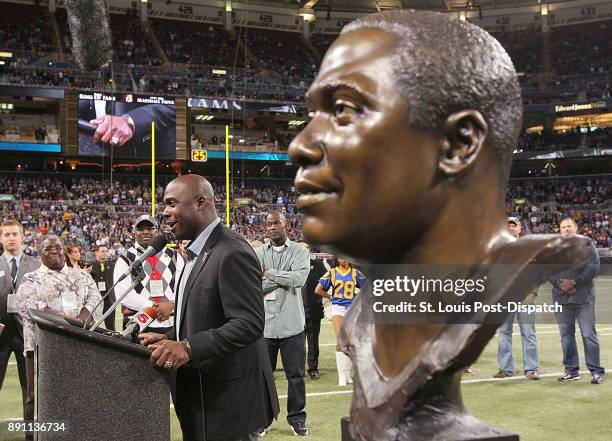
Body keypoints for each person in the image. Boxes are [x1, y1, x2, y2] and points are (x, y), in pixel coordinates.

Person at [287, 10, 593, 441]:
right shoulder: (363, 317)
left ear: (457, 143)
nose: (298, 144)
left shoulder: (502, 276)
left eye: (342, 109)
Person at [139, 174, 279, 441]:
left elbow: (248, 324)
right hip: (203, 400)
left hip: (228, 405)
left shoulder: (231, 251)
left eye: (171, 204)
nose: (165, 213)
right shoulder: (194, 251)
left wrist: (188, 347)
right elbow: (206, 315)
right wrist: (170, 338)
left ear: (200, 202)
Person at [15, 235, 101, 440]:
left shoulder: (82, 276)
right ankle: (33, 437)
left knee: (77, 395)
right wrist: (74, 324)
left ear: (64, 250)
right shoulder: (30, 278)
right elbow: (32, 309)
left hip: (78, 345)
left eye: (58, 248)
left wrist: (80, 321)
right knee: (35, 397)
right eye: (48, 249)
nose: (54, 252)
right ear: (39, 254)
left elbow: (96, 301)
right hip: (40, 347)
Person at [255, 212, 310, 436]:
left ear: (286, 225)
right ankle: (263, 419)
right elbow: (252, 286)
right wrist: (281, 277)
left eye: (276, 222)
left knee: (295, 376)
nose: (272, 227)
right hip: (265, 326)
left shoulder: (299, 251)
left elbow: (299, 280)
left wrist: (268, 274)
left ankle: (296, 418)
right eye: (268, 224)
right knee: (262, 378)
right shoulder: (258, 253)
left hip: (292, 325)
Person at [0, 220, 40, 439]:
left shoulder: (35, 265)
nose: (11, 238)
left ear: (22, 236)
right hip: (1, 335)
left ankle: (30, 435)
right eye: (6, 234)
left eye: (14, 233)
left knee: (30, 391)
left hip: (28, 335)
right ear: (1, 238)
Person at [552, 217, 604, 384]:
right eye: (563, 227)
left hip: (584, 298)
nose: (566, 229)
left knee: (588, 335)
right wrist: (563, 286)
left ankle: (596, 371)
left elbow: (594, 267)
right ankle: (571, 370)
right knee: (566, 336)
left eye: (569, 226)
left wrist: (575, 282)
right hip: (562, 298)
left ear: (575, 228)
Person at [113, 215, 182, 335]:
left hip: (171, 322)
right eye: (140, 229)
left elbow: (183, 285)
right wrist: (153, 307)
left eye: (150, 228)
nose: (145, 232)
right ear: (135, 232)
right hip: (137, 323)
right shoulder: (125, 259)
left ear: (157, 230)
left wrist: (171, 305)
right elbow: (122, 293)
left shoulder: (174, 255)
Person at [493, 217, 539, 380]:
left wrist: (533, 293)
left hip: (525, 297)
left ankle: (531, 369)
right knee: (504, 333)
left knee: (528, 333)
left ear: (520, 229)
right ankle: (505, 368)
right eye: (508, 226)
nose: (511, 228)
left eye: (514, 226)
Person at [315, 258, 365, 386]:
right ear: (337, 258)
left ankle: (347, 373)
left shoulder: (355, 273)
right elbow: (318, 290)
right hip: (338, 309)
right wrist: (331, 297)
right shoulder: (332, 273)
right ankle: (341, 375)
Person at [297, 241, 326, 381]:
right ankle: (298, 368)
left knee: (313, 341)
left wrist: (325, 298)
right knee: (297, 342)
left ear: (308, 250)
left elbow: (328, 283)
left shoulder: (318, 266)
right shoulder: (291, 266)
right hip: (296, 312)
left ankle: (313, 369)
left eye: (304, 248)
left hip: (313, 310)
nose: (302, 250)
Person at [89, 244, 116, 331]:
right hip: (96, 300)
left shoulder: (112, 265)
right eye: (102, 251)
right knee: (94, 327)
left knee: (111, 327)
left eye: (106, 251)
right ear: (97, 253)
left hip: (109, 299)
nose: (105, 253)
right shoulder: (90, 266)